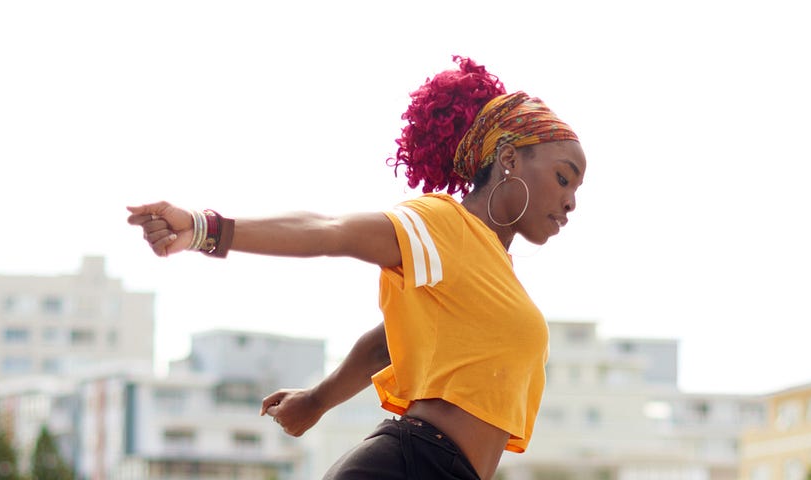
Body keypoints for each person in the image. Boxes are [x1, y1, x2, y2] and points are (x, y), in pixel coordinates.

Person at [125, 56, 586, 480]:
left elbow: (386, 344)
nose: (570, 201)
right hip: (410, 465)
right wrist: (206, 228)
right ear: (508, 158)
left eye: (577, 189)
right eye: (563, 177)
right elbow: (330, 229)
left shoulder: (489, 267)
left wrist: (316, 401)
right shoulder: (443, 224)